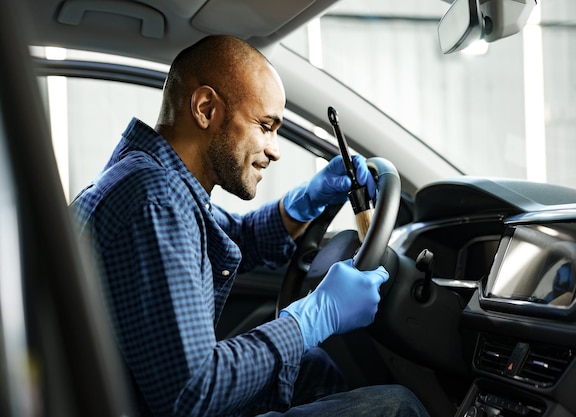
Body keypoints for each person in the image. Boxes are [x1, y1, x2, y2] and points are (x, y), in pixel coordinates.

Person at [70, 34, 429, 417]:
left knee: (312, 368)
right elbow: (193, 393)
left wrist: (306, 200)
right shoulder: (156, 202)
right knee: (398, 408)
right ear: (206, 108)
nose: (274, 149)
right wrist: (313, 316)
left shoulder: (150, 179)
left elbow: (236, 237)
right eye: (265, 125)